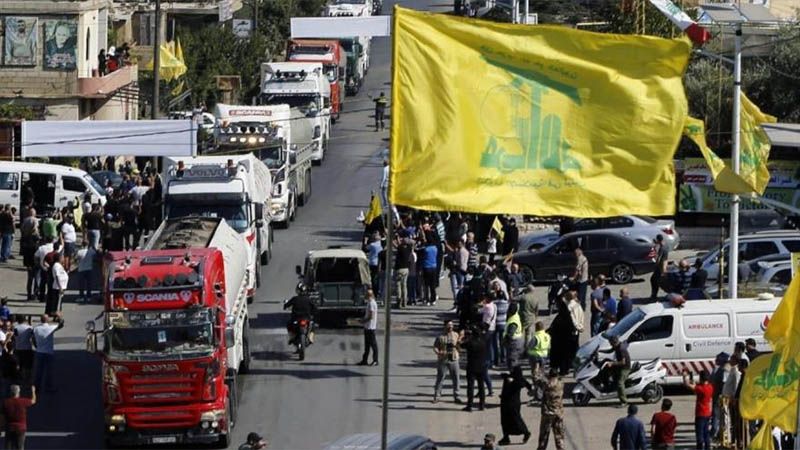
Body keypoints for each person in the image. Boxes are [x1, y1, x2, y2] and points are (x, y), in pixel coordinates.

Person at [498, 366, 532, 445]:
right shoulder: (519, 379)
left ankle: (525, 432)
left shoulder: (515, 381)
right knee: (511, 420)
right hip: (514, 403)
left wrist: (510, 381)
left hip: (509, 403)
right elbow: (528, 385)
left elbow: (514, 387)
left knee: (514, 420)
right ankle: (506, 437)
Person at [33, 313, 64, 393]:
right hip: (49, 352)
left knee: (39, 371)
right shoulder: (51, 328)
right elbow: (61, 325)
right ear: (47, 320)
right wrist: (60, 317)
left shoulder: (36, 328)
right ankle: (48, 387)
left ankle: (37, 387)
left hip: (39, 352)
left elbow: (33, 339)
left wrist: (37, 346)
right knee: (49, 371)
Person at [683, 368, 713, 450]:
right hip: (707, 412)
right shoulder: (710, 387)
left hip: (700, 413)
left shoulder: (701, 389)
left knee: (699, 434)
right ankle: (708, 447)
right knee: (706, 432)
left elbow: (687, 385)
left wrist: (685, 376)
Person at [536, 368, 565, 450]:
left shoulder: (547, 384)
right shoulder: (561, 383)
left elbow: (537, 378)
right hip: (558, 413)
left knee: (544, 436)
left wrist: (540, 371)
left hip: (547, 413)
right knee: (559, 436)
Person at [433, 320, 461, 404]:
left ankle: (457, 396)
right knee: (440, 378)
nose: (451, 327)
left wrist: (458, 350)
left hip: (454, 359)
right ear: (445, 326)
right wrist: (438, 352)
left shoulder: (456, 335)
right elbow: (435, 347)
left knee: (456, 378)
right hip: (443, 359)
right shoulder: (440, 337)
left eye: (452, 325)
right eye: (449, 325)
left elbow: (459, 346)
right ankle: (437, 396)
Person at [461, 325, 488, 412]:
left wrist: (462, 336)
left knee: (470, 386)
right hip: (482, 366)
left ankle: (470, 405)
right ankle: (482, 404)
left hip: (472, 366)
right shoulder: (483, 341)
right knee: (481, 386)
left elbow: (461, 345)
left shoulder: (470, 343)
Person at [3, 385, 36, 450]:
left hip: (10, 428)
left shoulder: (6, 402)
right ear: (18, 392)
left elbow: (2, 417)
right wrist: (33, 391)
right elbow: (33, 401)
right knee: (20, 448)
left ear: (11, 392)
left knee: (8, 448)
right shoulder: (23, 401)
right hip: (21, 429)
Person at [602, 335, 632, 407]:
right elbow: (610, 350)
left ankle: (624, 402)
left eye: (610, 343)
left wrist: (612, 363)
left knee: (620, 383)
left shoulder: (621, 349)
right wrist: (599, 351)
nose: (610, 344)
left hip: (625, 368)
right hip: (620, 366)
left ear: (614, 342)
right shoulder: (617, 346)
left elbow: (623, 362)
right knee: (605, 370)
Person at [358, 289, 378, 366]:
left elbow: (371, 316)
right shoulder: (369, 303)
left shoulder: (372, 304)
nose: (365, 296)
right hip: (367, 327)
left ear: (369, 295)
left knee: (373, 344)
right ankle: (364, 360)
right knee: (367, 345)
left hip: (370, 327)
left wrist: (363, 321)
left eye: (366, 294)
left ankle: (375, 360)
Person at [502, 303, 524, 370]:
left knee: (512, 359)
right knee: (513, 358)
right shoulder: (515, 315)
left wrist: (504, 342)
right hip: (516, 341)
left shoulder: (513, 322)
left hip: (514, 342)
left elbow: (510, 334)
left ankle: (514, 374)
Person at [13, 315, 34, 385]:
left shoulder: (15, 328)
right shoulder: (29, 328)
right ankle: (27, 380)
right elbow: (32, 337)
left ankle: (20, 379)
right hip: (27, 348)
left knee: (19, 365)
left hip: (18, 348)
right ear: (25, 320)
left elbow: (14, 337)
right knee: (28, 366)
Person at [650, 235, 668, 300]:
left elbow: (659, 258)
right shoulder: (665, 246)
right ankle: (654, 294)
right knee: (655, 280)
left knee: (653, 280)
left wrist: (655, 265)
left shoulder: (662, 248)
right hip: (664, 266)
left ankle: (654, 295)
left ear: (658, 240)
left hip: (660, 267)